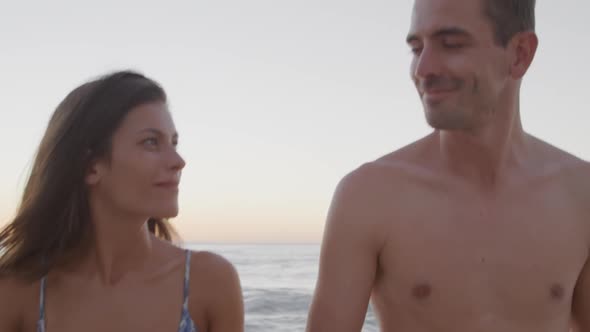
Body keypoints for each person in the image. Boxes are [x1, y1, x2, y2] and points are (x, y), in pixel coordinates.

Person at [306, 0, 590, 331]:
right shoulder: (369, 197)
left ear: (519, 54)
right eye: (416, 48)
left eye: (451, 44)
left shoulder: (580, 195)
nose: (422, 69)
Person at [0, 71, 244, 332]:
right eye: (151, 142)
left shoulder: (209, 283)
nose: (178, 161)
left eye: (174, 142)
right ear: (90, 166)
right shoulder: (19, 290)